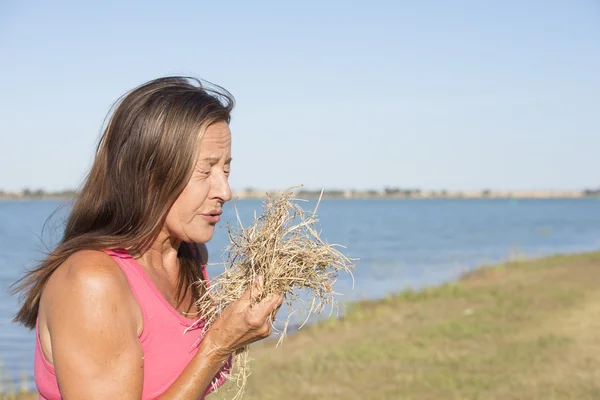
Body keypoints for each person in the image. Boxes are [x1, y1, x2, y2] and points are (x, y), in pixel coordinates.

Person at [11, 76, 284, 399]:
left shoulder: (191, 256)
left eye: (225, 170)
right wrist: (218, 345)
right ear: (150, 173)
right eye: (205, 171)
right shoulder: (92, 282)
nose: (224, 191)